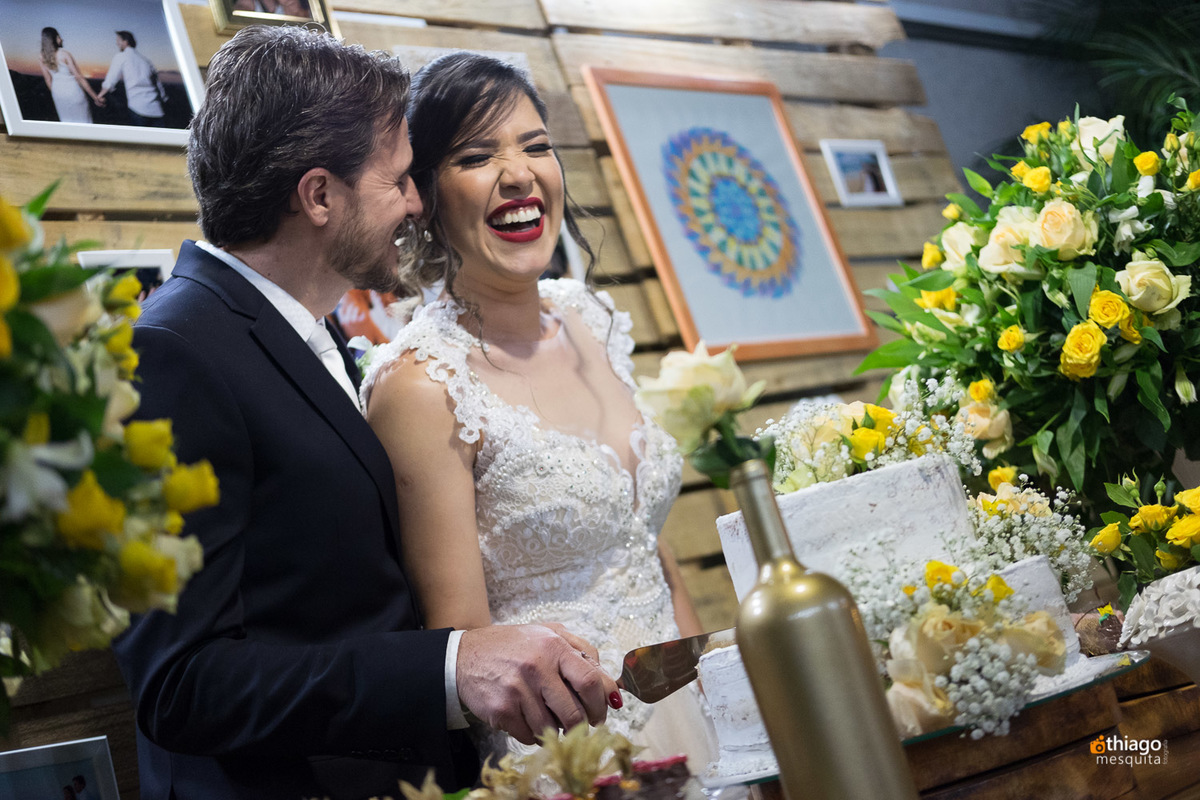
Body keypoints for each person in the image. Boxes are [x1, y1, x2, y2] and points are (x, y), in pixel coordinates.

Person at [111, 27, 617, 800]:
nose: (416, 204)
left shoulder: (307, 329)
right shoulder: (175, 352)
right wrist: (450, 666)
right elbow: (182, 684)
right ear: (318, 195)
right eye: (400, 181)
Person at [361, 52, 714, 766]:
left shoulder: (591, 319)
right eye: (476, 155)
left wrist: (715, 699)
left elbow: (643, 546)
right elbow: (466, 646)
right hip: (567, 756)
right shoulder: (421, 385)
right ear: (425, 193)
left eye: (536, 146)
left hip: (692, 715)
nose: (518, 173)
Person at [97, 31, 166, 127]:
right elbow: (159, 86)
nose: (117, 43)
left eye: (118, 40)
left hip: (138, 109)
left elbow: (110, 80)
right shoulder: (146, 61)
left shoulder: (121, 56)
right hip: (157, 110)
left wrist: (99, 96)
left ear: (126, 42)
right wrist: (163, 100)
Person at [38, 27, 102, 123]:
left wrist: (57, 93)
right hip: (73, 93)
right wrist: (95, 97)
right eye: (59, 37)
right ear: (54, 39)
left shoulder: (41, 56)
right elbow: (79, 77)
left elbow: (48, 79)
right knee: (84, 123)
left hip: (58, 94)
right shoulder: (64, 54)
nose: (61, 39)